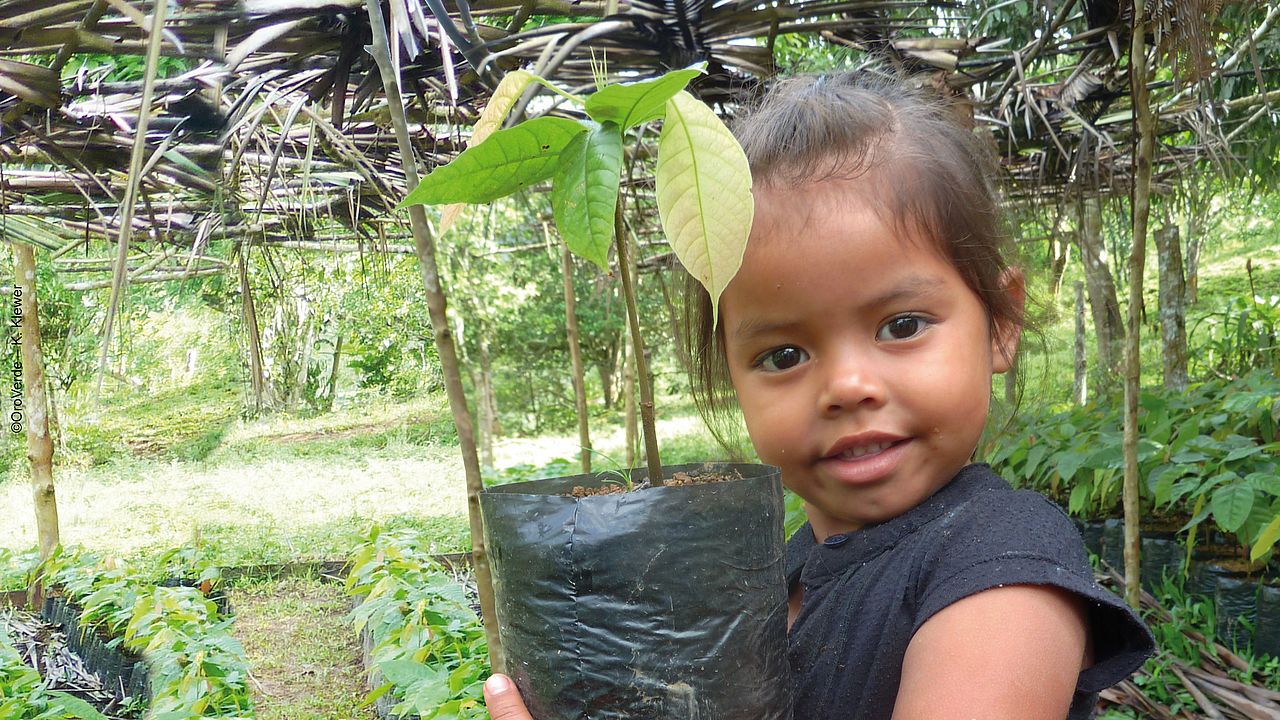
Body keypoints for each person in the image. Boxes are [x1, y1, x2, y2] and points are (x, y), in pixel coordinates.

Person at [484, 70, 1155, 719]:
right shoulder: (783, 569)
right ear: (730, 375)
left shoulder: (1004, 572)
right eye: (783, 355)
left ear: (1000, 323)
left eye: (901, 326)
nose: (846, 387)